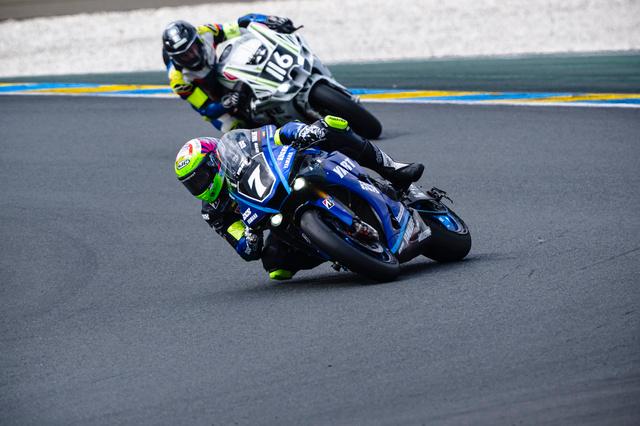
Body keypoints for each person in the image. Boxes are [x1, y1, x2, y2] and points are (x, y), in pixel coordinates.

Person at [174, 116, 425, 280]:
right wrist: (249, 237)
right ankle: (336, 248)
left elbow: (278, 133)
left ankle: (392, 168)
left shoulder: (240, 146)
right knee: (275, 266)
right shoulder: (213, 211)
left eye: (201, 177)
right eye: (192, 185)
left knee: (330, 125)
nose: (200, 186)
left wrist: (302, 131)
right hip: (277, 216)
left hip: (295, 171)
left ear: (215, 162)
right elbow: (243, 246)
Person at [162, 14, 297, 132]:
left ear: (198, 40)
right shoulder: (179, 81)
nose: (193, 56)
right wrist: (225, 104)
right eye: (185, 56)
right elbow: (205, 109)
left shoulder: (206, 32)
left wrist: (269, 21)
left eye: (193, 49)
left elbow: (241, 23)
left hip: (215, 66)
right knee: (229, 126)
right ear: (176, 59)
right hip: (204, 84)